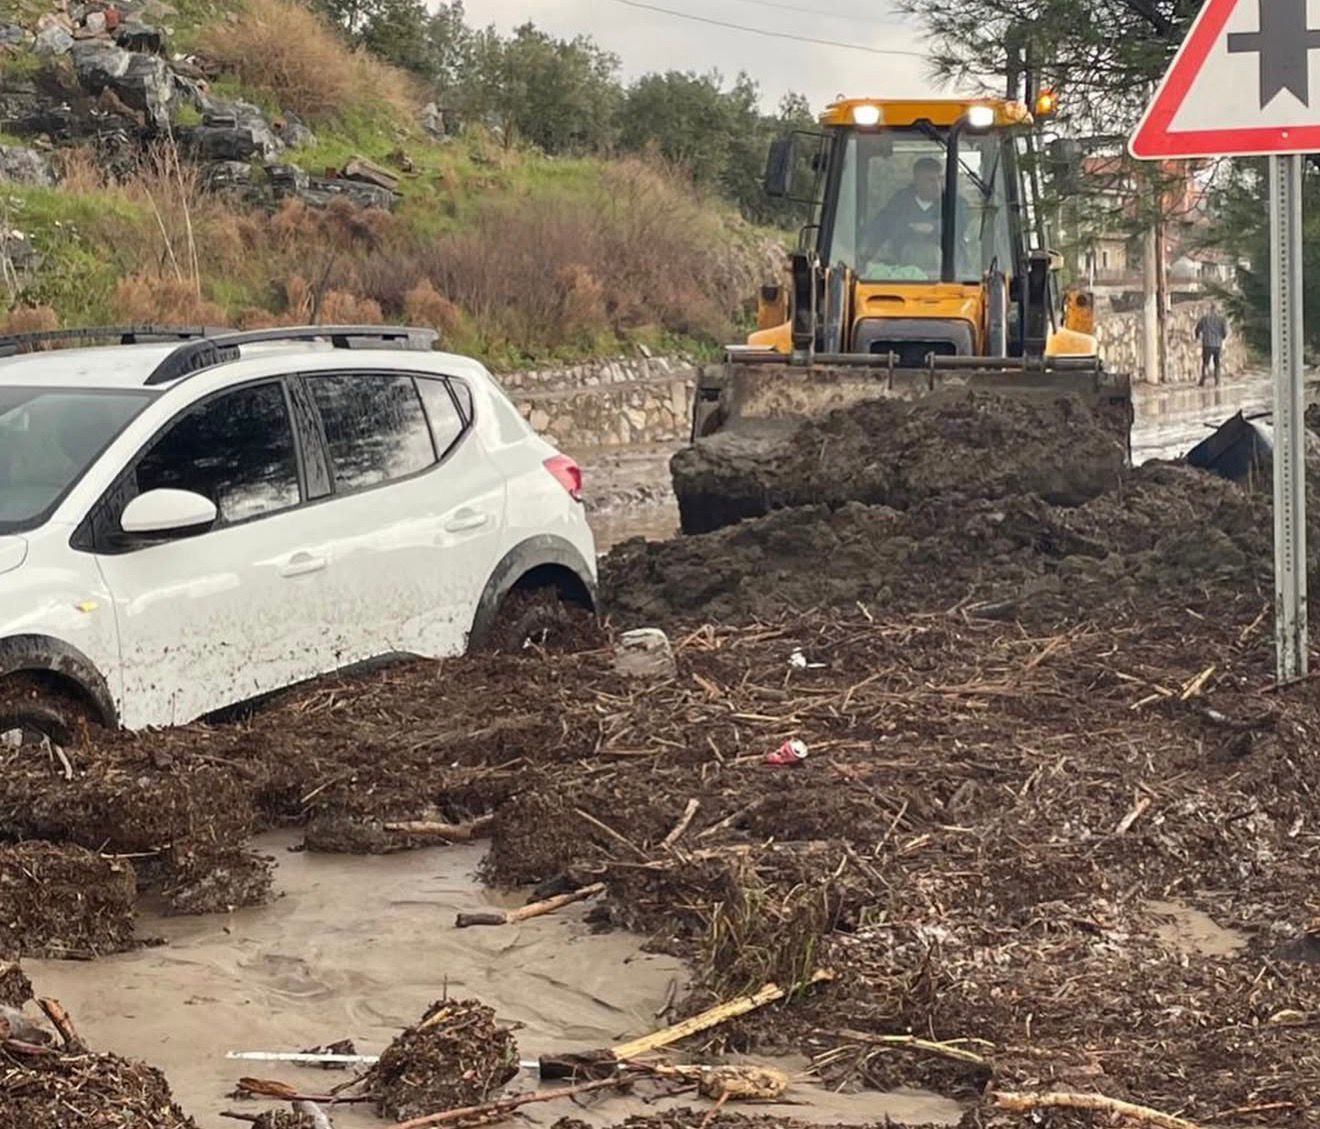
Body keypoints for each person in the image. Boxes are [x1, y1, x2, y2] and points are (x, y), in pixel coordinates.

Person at [861, 157, 966, 276]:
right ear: (917, 181)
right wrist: (865, 252)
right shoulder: (900, 202)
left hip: (949, 276)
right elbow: (881, 227)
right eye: (931, 180)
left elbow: (959, 225)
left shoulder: (954, 203)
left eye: (940, 179)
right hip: (905, 274)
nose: (937, 185)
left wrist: (934, 228)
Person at [1195, 304, 1229, 386]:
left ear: (1210, 309)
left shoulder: (1205, 318)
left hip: (1207, 343)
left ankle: (1203, 379)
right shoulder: (1222, 319)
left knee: (1205, 362)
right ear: (1217, 309)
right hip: (1217, 344)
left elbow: (1197, 328)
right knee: (1217, 363)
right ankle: (1217, 381)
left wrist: (1197, 337)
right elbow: (1225, 332)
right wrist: (1222, 337)